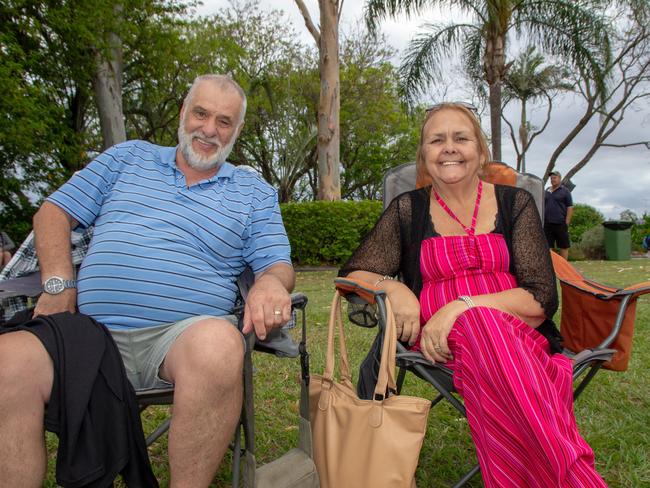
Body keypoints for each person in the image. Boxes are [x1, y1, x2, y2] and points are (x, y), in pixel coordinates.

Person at [0, 74, 294, 487]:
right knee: (7, 360)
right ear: (183, 113)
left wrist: (270, 283)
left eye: (224, 121)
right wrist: (59, 283)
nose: (209, 129)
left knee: (218, 347)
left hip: (180, 340)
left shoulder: (253, 192)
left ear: (237, 131)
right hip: (87, 335)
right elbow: (53, 212)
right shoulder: (127, 158)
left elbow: (276, 263)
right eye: (202, 113)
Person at [340, 103, 607, 487]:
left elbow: (541, 297)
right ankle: (571, 474)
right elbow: (352, 274)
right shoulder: (408, 210)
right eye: (437, 140)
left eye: (461, 138)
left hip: (519, 340)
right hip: (440, 346)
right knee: (480, 326)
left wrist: (461, 307)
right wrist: (395, 287)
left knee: (481, 324)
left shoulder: (516, 203)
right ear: (424, 156)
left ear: (480, 152)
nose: (449, 148)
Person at [544, 170, 573, 259]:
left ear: (559, 178)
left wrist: (567, 222)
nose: (553, 180)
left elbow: (570, 207)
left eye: (555, 178)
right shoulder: (547, 191)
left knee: (563, 246)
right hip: (547, 223)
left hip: (560, 223)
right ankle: (552, 268)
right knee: (548, 246)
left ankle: (564, 268)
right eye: (551, 178)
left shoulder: (565, 191)